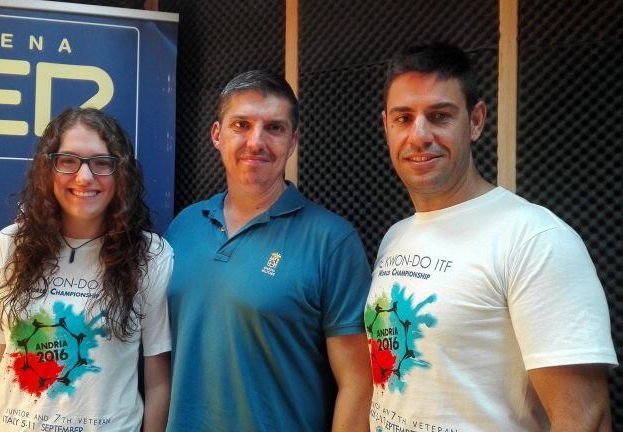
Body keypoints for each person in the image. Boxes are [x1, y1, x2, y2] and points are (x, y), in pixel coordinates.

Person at [365, 42, 617, 431]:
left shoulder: (533, 239)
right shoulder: (396, 237)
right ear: (386, 126)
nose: (419, 136)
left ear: (476, 120)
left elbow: (585, 417)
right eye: (403, 118)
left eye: (439, 116)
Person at [165, 70, 373, 431]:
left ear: (293, 142)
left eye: (274, 128)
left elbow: (358, 383)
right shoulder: (184, 226)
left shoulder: (331, 241)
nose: (256, 141)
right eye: (241, 125)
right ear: (217, 134)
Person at [0, 108, 173, 432]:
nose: (84, 177)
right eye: (69, 160)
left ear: (122, 173)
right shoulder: (9, 246)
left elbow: (158, 381)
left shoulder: (150, 256)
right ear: (49, 168)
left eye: (101, 163)